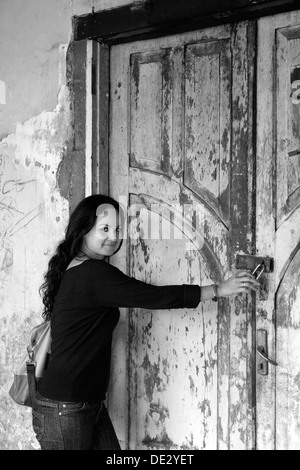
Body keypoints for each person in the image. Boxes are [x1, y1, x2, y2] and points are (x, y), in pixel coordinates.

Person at [31, 194, 259, 450]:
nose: (113, 237)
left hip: (82, 403)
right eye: (104, 229)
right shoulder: (93, 272)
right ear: (83, 230)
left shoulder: (79, 267)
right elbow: (153, 296)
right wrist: (217, 289)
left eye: (118, 229)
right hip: (66, 407)